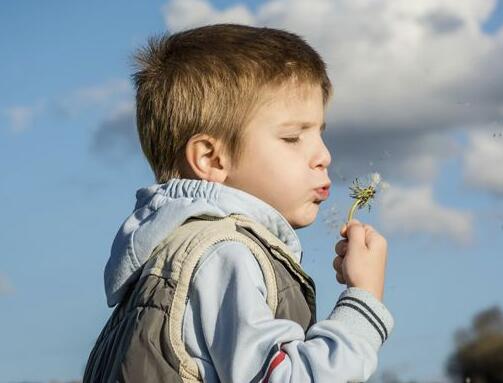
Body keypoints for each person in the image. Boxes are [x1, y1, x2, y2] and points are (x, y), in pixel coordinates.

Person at [83, 23, 394, 383]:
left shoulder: (168, 258)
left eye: (319, 134)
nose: (323, 156)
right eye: (293, 137)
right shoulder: (223, 254)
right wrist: (363, 299)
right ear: (212, 159)